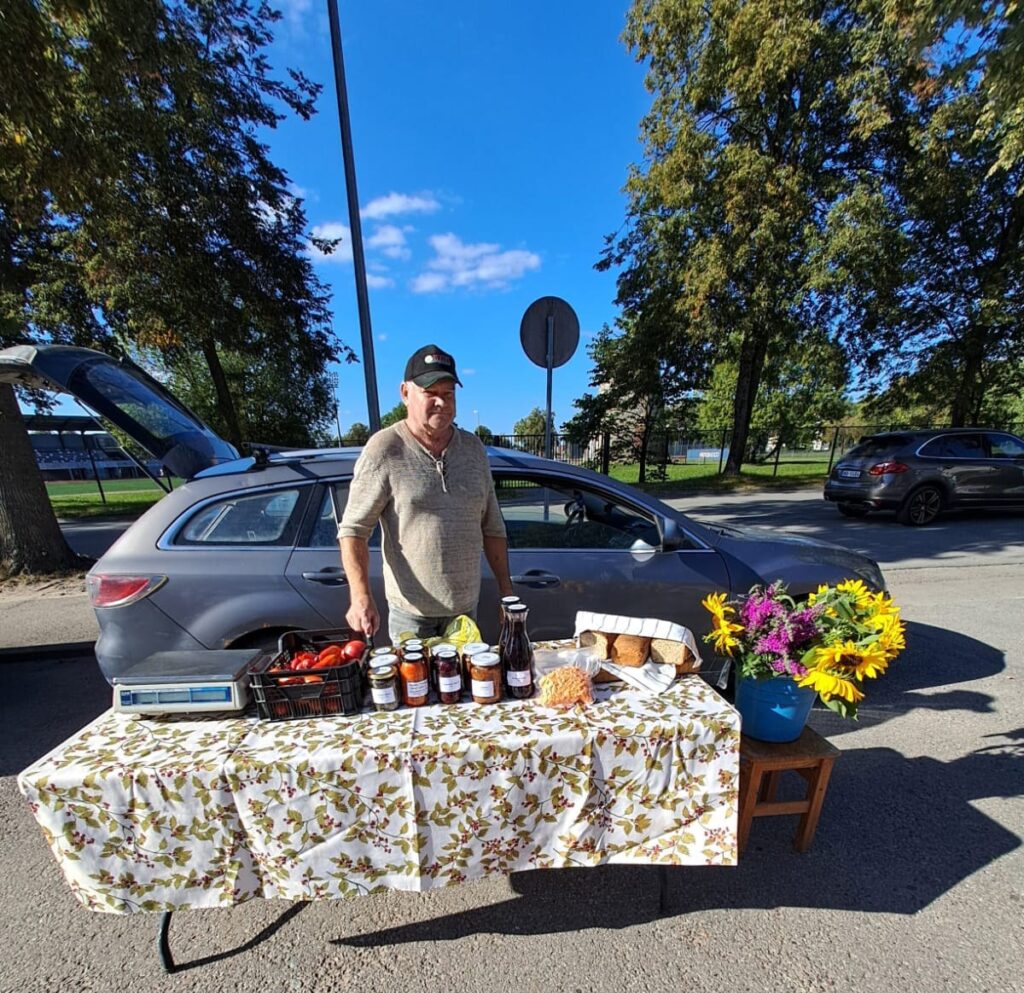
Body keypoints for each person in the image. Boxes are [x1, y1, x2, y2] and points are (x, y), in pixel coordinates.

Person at [337, 344, 514, 642]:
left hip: (464, 612)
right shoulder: (385, 449)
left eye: (448, 395)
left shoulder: (473, 450)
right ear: (405, 393)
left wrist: (507, 593)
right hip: (411, 616)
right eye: (430, 394)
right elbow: (353, 530)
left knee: (467, 688)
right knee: (415, 688)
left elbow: (492, 526)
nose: (441, 403)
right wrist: (360, 595)